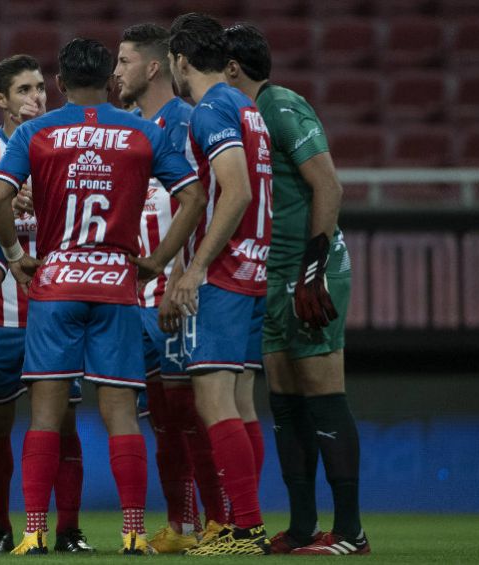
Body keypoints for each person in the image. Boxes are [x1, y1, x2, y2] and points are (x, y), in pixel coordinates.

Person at [0, 38, 197, 556]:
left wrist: (15, 255)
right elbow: (192, 194)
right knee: (121, 414)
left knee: (44, 415)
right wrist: (158, 260)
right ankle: (132, 533)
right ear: (110, 80)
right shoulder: (144, 131)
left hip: (56, 281)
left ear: (59, 83)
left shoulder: (36, 131)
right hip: (116, 283)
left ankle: (34, 531)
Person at [224, 23, 368, 556]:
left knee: (324, 397)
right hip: (273, 273)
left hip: (307, 273)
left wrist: (313, 267)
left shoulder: (282, 107)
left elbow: (328, 184)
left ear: (233, 68)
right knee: (284, 404)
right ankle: (305, 527)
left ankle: (351, 531)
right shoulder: (243, 117)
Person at [0, 54, 94, 553]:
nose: (37, 98)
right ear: (1, 100)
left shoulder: (65, 147)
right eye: (24, 90)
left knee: (64, 420)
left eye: (40, 88)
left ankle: (69, 531)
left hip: (54, 311)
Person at [164, 13, 273, 555]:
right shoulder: (247, 107)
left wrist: (196, 266)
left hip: (227, 271)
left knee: (212, 400)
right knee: (241, 401)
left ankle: (244, 529)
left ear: (180, 61)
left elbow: (236, 190)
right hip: (257, 266)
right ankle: (243, 521)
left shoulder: (210, 109)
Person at [112, 22, 210, 553]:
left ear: (153, 67)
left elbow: (202, 204)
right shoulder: (126, 128)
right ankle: (182, 525)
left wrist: (176, 277)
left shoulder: (188, 122)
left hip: (174, 292)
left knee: (193, 414)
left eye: (123, 61)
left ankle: (221, 522)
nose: (115, 73)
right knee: (165, 422)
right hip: (134, 296)